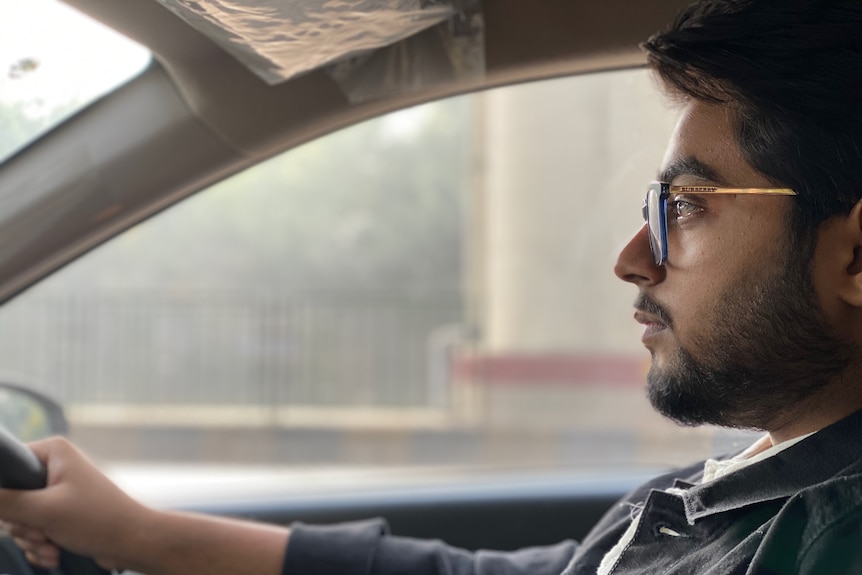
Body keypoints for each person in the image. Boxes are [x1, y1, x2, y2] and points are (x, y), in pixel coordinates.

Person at [3, 0, 862, 573]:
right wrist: (139, 534)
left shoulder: (825, 538)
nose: (634, 255)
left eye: (686, 204)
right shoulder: (760, 485)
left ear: (856, 259)